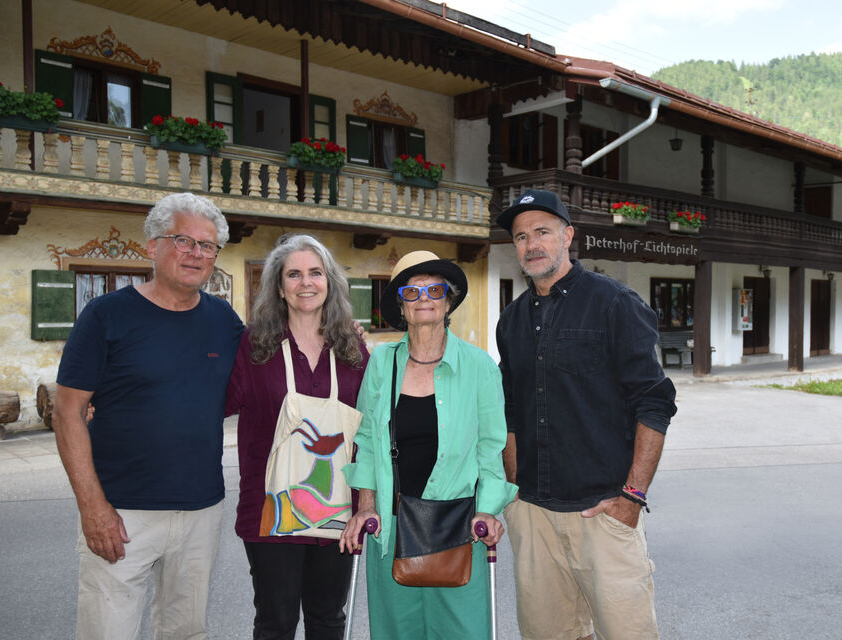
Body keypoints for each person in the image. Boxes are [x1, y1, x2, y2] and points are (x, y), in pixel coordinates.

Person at [53, 192, 244, 639]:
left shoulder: (223, 320)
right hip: (121, 512)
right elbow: (67, 412)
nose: (196, 253)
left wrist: (340, 333)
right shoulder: (106, 315)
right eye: (183, 240)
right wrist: (92, 507)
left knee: (186, 632)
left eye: (207, 245)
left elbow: (269, 366)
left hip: (201, 510)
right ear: (151, 245)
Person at [494, 189, 678, 640]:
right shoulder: (511, 321)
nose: (532, 244)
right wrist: (515, 490)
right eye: (521, 237)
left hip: (604, 510)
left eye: (542, 232)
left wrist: (632, 497)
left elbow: (655, 402)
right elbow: (509, 410)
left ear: (567, 236)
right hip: (534, 514)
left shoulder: (614, 303)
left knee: (628, 633)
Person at [339, 250, 516, 640]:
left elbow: (490, 448)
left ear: (448, 302)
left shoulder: (479, 366)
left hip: (459, 528)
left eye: (435, 290)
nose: (424, 298)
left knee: (463, 632)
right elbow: (366, 441)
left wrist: (487, 511)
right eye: (412, 291)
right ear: (401, 306)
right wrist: (366, 506)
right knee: (396, 633)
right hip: (391, 528)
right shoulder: (382, 363)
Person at [225, 234, 369, 639]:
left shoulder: (352, 348)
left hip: (338, 510)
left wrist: (367, 502)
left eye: (315, 273)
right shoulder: (254, 346)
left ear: (330, 283)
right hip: (271, 510)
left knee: (328, 620)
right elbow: (216, 402)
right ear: (279, 287)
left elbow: (370, 429)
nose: (305, 283)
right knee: (276, 622)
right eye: (294, 274)